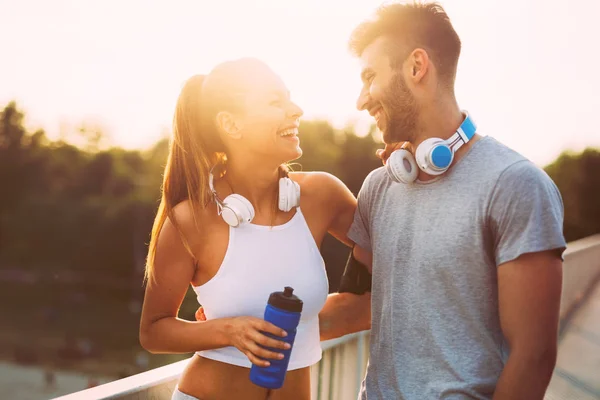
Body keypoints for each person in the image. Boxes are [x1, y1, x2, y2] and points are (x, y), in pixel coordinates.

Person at [318, 2, 566, 400]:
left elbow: (533, 356)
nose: (361, 100)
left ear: (417, 66)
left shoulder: (516, 185)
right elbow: (356, 305)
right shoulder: (378, 188)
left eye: (370, 77)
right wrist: (240, 326)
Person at [138, 58, 357, 400]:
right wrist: (227, 330)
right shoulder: (191, 219)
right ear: (231, 124)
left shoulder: (322, 196)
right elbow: (153, 332)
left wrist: (403, 178)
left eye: (290, 98)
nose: (296, 110)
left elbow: (394, 247)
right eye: (275, 102)